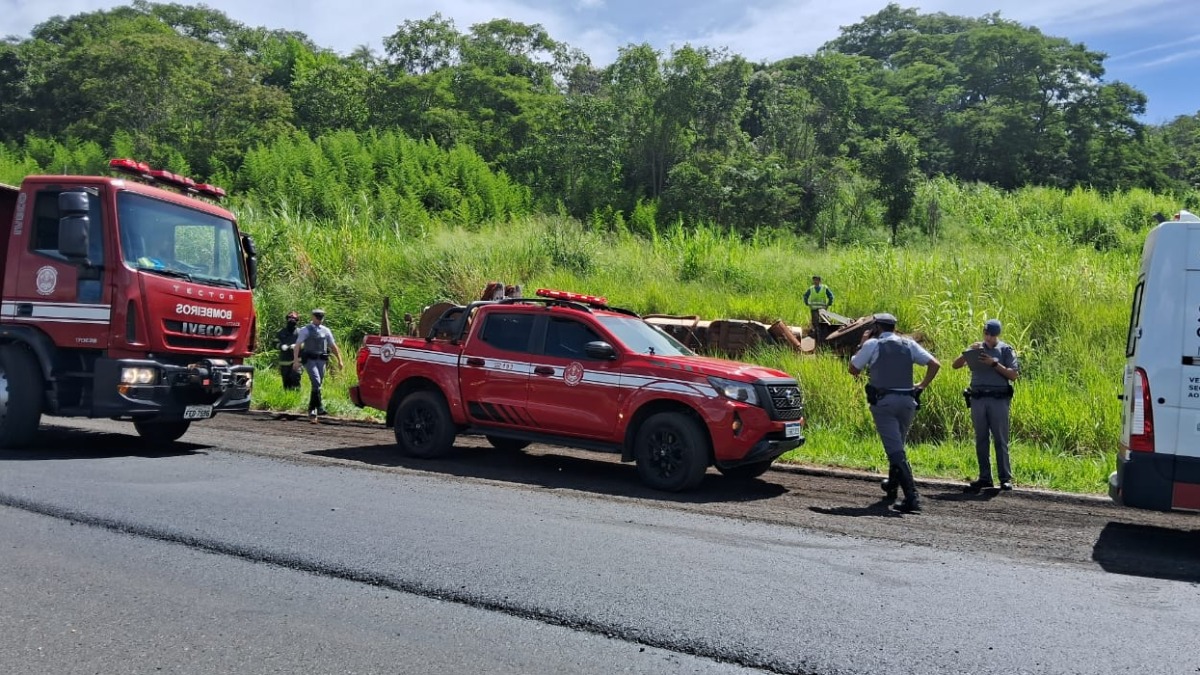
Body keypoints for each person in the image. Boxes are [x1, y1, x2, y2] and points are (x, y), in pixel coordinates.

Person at [848, 313, 941, 513]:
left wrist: (861, 344)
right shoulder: (909, 344)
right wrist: (921, 385)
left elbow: (853, 369)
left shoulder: (872, 345)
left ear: (877, 328)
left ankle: (912, 497)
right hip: (907, 402)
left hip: (884, 403)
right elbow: (935, 364)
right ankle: (892, 485)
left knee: (895, 449)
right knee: (897, 443)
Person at [953, 318, 1020, 492]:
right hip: (978, 399)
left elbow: (1013, 375)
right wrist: (968, 352)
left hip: (998, 399)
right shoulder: (977, 349)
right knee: (981, 439)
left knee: (1000, 439)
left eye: (992, 335)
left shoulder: (1005, 350)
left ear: (998, 335)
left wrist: (994, 363)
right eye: (986, 333)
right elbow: (955, 365)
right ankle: (985, 477)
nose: (988, 337)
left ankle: (1005, 478)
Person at [292, 308, 344, 423]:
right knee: (316, 381)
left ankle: (313, 411)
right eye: (317, 317)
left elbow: (333, 346)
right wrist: (296, 361)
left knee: (318, 385)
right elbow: (297, 345)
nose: (320, 319)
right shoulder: (305, 330)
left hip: (321, 360)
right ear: (313, 317)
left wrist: (340, 360)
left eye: (321, 317)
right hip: (310, 360)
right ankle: (318, 407)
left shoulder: (326, 330)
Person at [803, 275, 834, 344]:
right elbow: (805, 296)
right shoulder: (811, 288)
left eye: (816, 280)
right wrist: (807, 303)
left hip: (822, 310)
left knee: (824, 323)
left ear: (820, 281)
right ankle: (818, 340)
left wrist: (828, 304)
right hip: (814, 309)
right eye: (814, 280)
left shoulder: (824, 288)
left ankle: (825, 338)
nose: (815, 281)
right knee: (816, 325)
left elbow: (831, 296)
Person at [276, 311, 302, 390]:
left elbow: (306, 344)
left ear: (297, 320)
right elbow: (275, 343)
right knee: (286, 381)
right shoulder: (280, 332)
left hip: (296, 360)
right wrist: (281, 346)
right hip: (284, 360)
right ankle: (287, 395)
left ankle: (297, 395)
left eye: (294, 319)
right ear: (287, 319)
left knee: (295, 377)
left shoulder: (300, 332)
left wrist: (298, 346)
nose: (292, 320)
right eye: (290, 318)